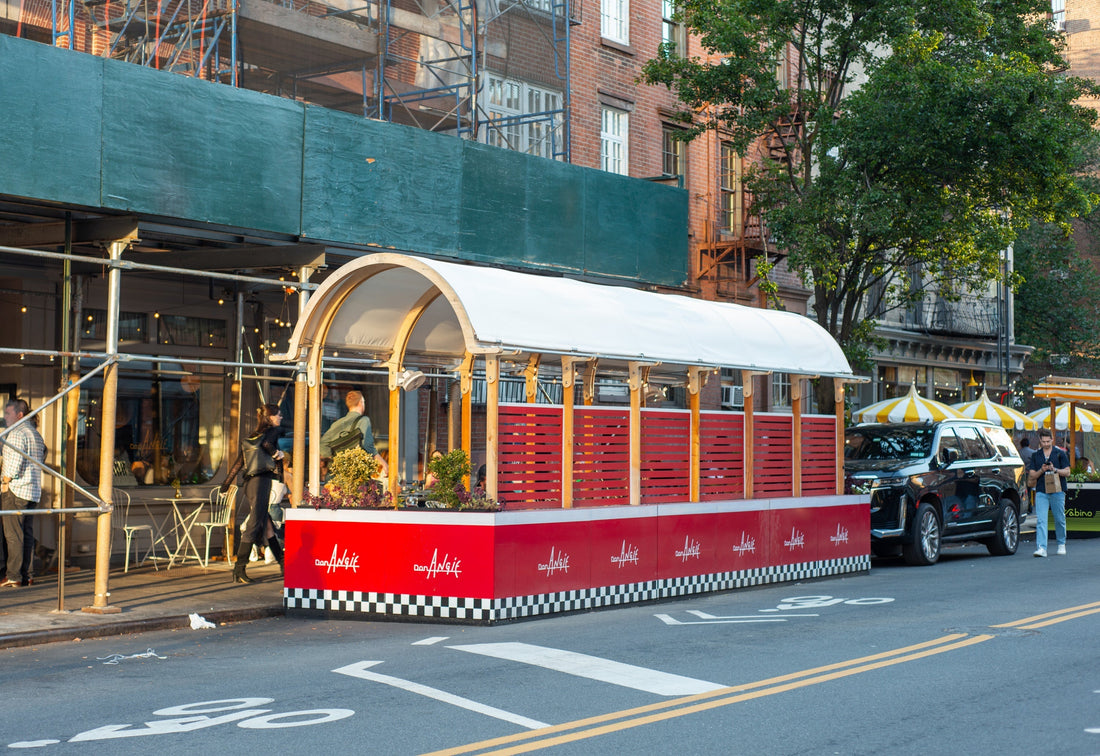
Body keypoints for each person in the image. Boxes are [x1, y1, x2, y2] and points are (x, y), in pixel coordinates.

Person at [221, 403, 285, 583]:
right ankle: (239, 569)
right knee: (255, 524)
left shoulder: (252, 436)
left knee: (267, 524)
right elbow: (267, 445)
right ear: (270, 417)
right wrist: (276, 454)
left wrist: (225, 484)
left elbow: (238, 463)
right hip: (260, 483)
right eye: (278, 415)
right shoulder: (271, 433)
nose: (280, 418)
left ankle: (283, 563)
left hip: (249, 484)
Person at [1, 399, 46, 588]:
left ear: (19, 415)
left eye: (8, 413)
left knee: (13, 535)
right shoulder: (35, 433)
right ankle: (28, 575)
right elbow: (42, 455)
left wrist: (6, 480)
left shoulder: (17, 433)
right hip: (33, 490)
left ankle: (13, 576)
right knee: (26, 534)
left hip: (16, 490)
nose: (5, 417)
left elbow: (14, 464)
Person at [319, 390, 388, 478]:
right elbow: (368, 446)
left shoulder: (337, 423)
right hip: (355, 476)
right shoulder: (364, 420)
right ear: (360, 403)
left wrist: (334, 458)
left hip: (336, 475)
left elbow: (322, 444)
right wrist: (383, 463)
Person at [1027, 428, 1070, 558]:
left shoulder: (1059, 453)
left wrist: (1054, 469)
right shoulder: (1036, 455)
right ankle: (1041, 547)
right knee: (1041, 520)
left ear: (1052, 439)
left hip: (1058, 489)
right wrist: (1042, 469)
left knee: (1059, 518)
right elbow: (1032, 475)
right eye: (1043, 441)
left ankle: (1061, 543)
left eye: (1048, 441)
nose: (1046, 444)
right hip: (1041, 490)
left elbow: (1067, 472)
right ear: (1040, 441)